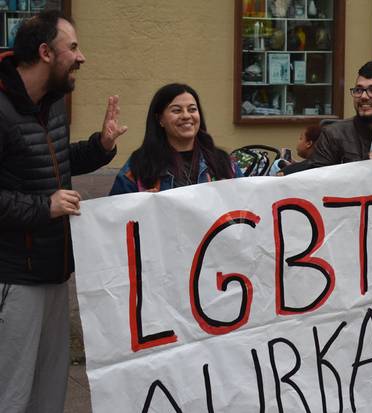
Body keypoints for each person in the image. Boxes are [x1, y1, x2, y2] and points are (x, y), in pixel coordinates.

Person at [0, 11, 127, 412]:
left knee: (49, 391)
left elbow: (50, 163)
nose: (81, 57)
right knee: (12, 392)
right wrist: (46, 206)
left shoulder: (51, 104)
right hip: (14, 277)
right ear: (45, 53)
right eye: (72, 47)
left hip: (54, 270)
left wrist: (100, 147)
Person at [109, 83, 242, 194]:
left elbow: (245, 204)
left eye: (192, 109)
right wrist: (141, 206)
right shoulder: (139, 165)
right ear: (160, 119)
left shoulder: (224, 163)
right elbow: (117, 213)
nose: (186, 116)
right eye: (176, 110)